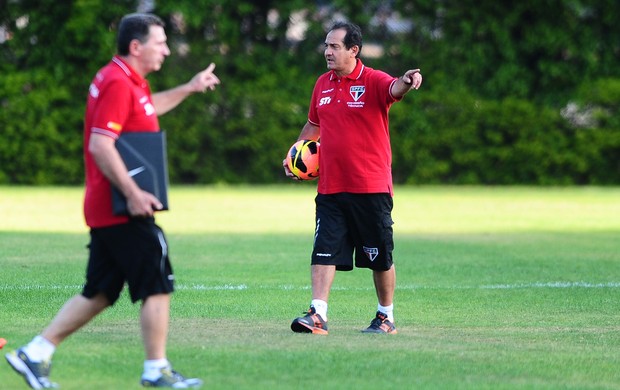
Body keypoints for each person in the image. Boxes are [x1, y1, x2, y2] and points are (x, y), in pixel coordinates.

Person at [5, 13, 220, 388]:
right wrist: (135, 193)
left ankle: (36, 353)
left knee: (100, 291)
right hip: (120, 207)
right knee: (156, 279)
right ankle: (157, 370)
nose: (167, 50)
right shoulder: (119, 83)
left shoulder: (128, 80)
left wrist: (189, 87)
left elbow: (148, 108)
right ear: (136, 46)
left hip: (107, 207)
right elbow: (101, 145)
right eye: (161, 42)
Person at [283, 21, 422, 335]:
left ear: (353, 50)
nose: (327, 52)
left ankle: (385, 316)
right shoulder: (322, 84)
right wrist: (294, 155)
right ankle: (317, 314)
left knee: (379, 257)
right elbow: (312, 127)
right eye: (326, 46)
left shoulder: (372, 80)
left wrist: (407, 79)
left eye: (334, 46)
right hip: (331, 187)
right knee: (322, 251)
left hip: (370, 188)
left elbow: (394, 89)